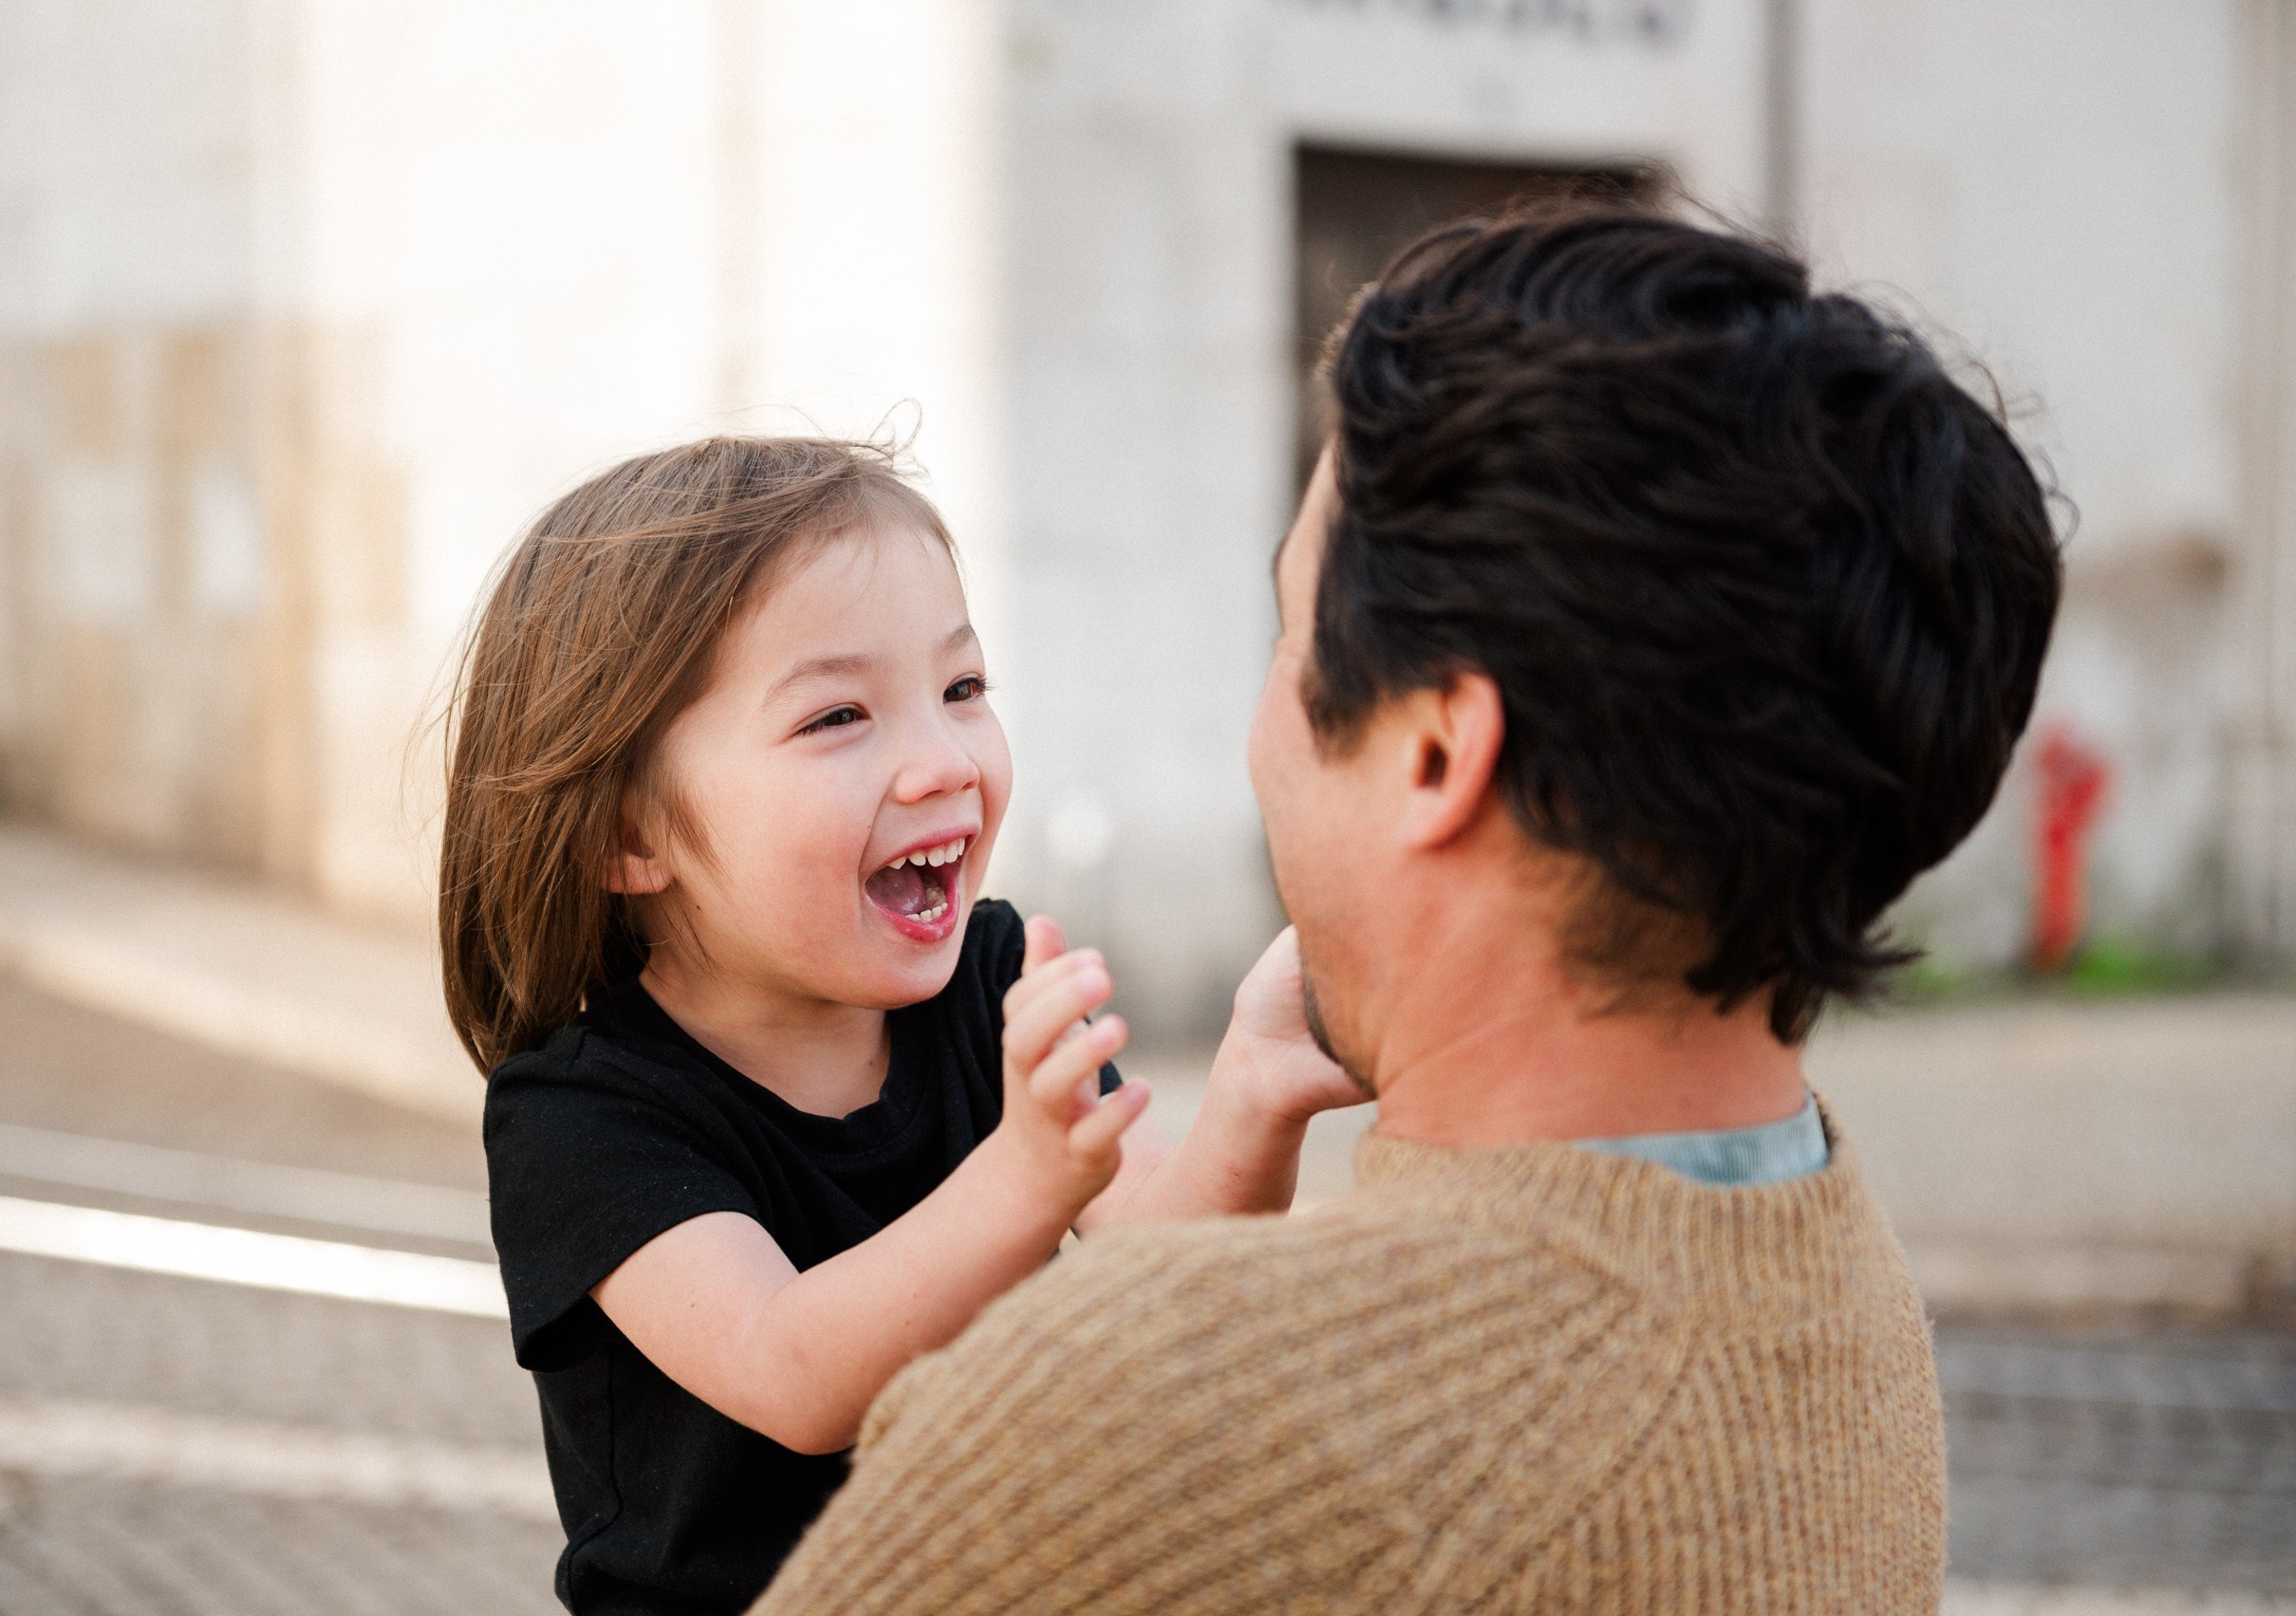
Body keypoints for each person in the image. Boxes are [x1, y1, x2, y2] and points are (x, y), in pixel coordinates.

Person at [746, 208, 2063, 1613]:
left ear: (1437, 752)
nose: (1260, 730)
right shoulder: (1846, 1280)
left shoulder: (1138, 1406)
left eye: (1294, 638)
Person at [439, 437, 1368, 1615]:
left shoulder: (988, 981)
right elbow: (790, 1367)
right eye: (837, 715)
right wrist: (1027, 1175)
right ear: (630, 837)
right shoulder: (581, 1115)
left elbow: (1163, 1261)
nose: (942, 761)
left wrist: (1254, 1080)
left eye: (963, 688)